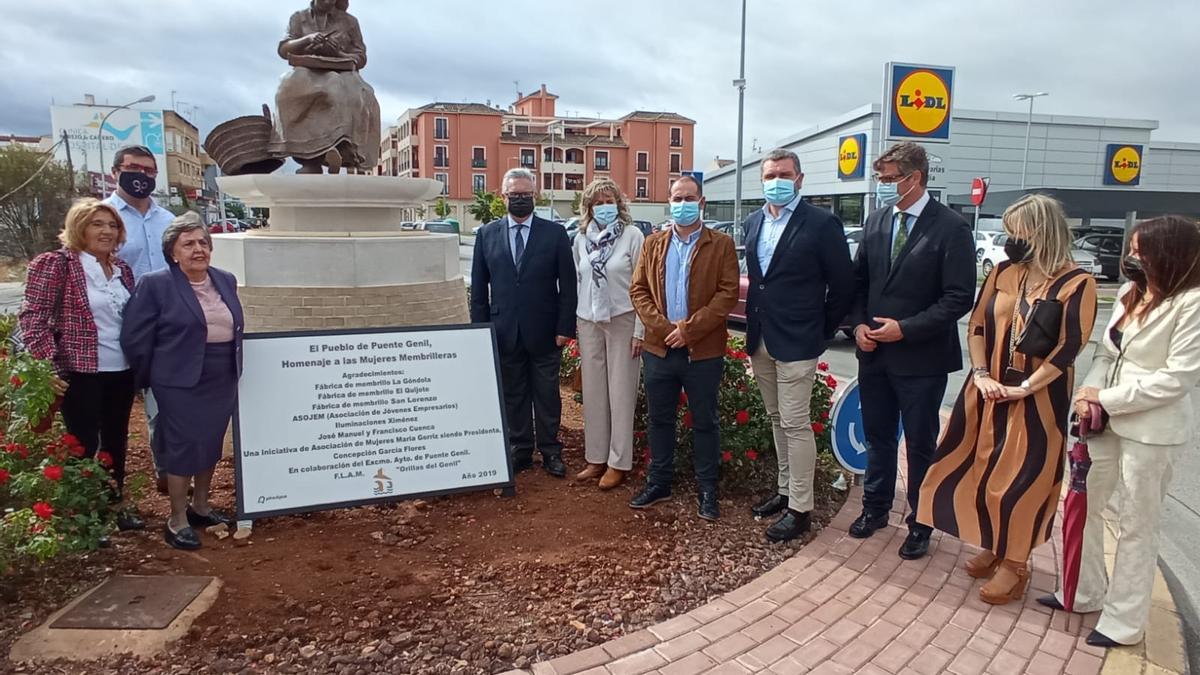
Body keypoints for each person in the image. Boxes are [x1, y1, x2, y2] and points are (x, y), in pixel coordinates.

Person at [917, 194, 1098, 604]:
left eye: (1020, 231)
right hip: (987, 390)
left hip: (1037, 398)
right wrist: (980, 375)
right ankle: (995, 544)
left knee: (1021, 479)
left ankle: (1016, 562)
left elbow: (1069, 347)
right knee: (977, 465)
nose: (1012, 239)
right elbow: (977, 324)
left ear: (1044, 232)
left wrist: (1026, 387)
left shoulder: (1076, 283)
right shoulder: (1002, 272)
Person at [1044, 216, 1200, 646]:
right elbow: (1107, 353)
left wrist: (1105, 401)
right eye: (1130, 249)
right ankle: (1083, 591)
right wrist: (1089, 390)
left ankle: (1123, 622)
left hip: (1151, 431)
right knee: (1087, 507)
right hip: (1105, 422)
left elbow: (1177, 378)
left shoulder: (1192, 304)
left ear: (1169, 254)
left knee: (1136, 525)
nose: (1131, 258)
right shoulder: (1134, 292)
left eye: (1138, 250)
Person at [847, 142, 976, 560]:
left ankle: (921, 521)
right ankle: (876, 507)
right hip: (875, 355)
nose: (882, 186)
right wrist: (860, 325)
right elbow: (860, 282)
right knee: (878, 436)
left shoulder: (951, 227)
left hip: (921, 358)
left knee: (920, 442)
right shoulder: (878, 220)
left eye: (887, 180)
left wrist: (906, 329)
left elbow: (958, 296)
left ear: (913, 178)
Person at [742, 149, 855, 541]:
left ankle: (800, 508)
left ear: (800, 179)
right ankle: (785, 489)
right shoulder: (753, 221)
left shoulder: (822, 224)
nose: (777, 180)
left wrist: (820, 329)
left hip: (799, 341)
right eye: (770, 174)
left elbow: (842, 285)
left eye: (784, 174)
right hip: (762, 339)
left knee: (795, 423)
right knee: (777, 420)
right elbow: (761, 282)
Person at [121, 212, 244, 550]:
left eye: (203, 242)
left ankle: (200, 507)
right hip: (177, 379)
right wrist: (145, 378)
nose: (198, 249)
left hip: (221, 375)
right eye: (188, 244)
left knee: (210, 442)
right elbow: (136, 336)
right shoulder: (156, 284)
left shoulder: (225, 279)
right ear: (172, 252)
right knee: (181, 445)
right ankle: (177, 520)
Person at [18, 198, 142, 531]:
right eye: (96, 224)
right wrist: (47, 365)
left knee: (116, 439)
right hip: (78, 370)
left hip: (121, 370)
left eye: (112, 225)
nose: (106, 231)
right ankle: (84, 516)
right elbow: (33, 317)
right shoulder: (56, 264)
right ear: (79, 228)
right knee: (83, 442)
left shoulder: (121, 270)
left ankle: (113, 505)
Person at [628, 176, 739, 521]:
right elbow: (638, 291)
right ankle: (659, 482)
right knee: (659, 420)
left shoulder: (721, 245)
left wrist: (688, 331)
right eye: (677, 197)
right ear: (669, 201)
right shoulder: (653, 243)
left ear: (701, 203)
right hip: (660, 350)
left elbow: (727, 295)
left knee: (705, 421)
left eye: (690, 198)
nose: (683, 203)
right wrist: (664, 330)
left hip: (702, 352)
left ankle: (708, 490)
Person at [470, 168, 577, 478]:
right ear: (503, 197)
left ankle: (550, 451)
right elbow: (479, 290)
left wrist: (564, 329)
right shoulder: (486, 235)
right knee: (513, 394)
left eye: (525, 195)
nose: (520, 199)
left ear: (535, 196)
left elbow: (568, 287)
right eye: (514, 195)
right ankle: (521, 450)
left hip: (545, 333)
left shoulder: (555, 234)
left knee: (547, 395)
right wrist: (480, 332)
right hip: (504, 333)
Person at [104, 144, 175, 494]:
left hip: (164, 328)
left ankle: (167, 471)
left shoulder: (168, 221)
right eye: (134, 169)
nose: (142, 177)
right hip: (115, 327)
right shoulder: (102, 218)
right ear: (116, 171)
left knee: (161, 403)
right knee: (112, 412)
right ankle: (110, 490)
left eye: (149, 172)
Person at [573, 178, 645, 490]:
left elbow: (643, 287)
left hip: (623, 319)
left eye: (609, 200)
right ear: (588, 207)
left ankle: (618, 462)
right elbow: (580, 280)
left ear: (619, 203)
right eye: (598, 202)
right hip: (590, 321)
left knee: (620, 393)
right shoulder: (580, 239)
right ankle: (596, 457)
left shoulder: (632, 236)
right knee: (594, 394)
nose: (604, 206)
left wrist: (641, 330)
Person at [272, 0, 381, 173]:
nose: (329, 2)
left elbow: (361, 56)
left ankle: (343, 147)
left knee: (351, 93)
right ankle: (309, 158)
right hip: (307, 69)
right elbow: (284, 49)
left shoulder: (349, 21)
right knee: (286, 90)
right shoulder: (299, 18)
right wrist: (307, 40)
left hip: (342, 70)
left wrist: (339, 53)